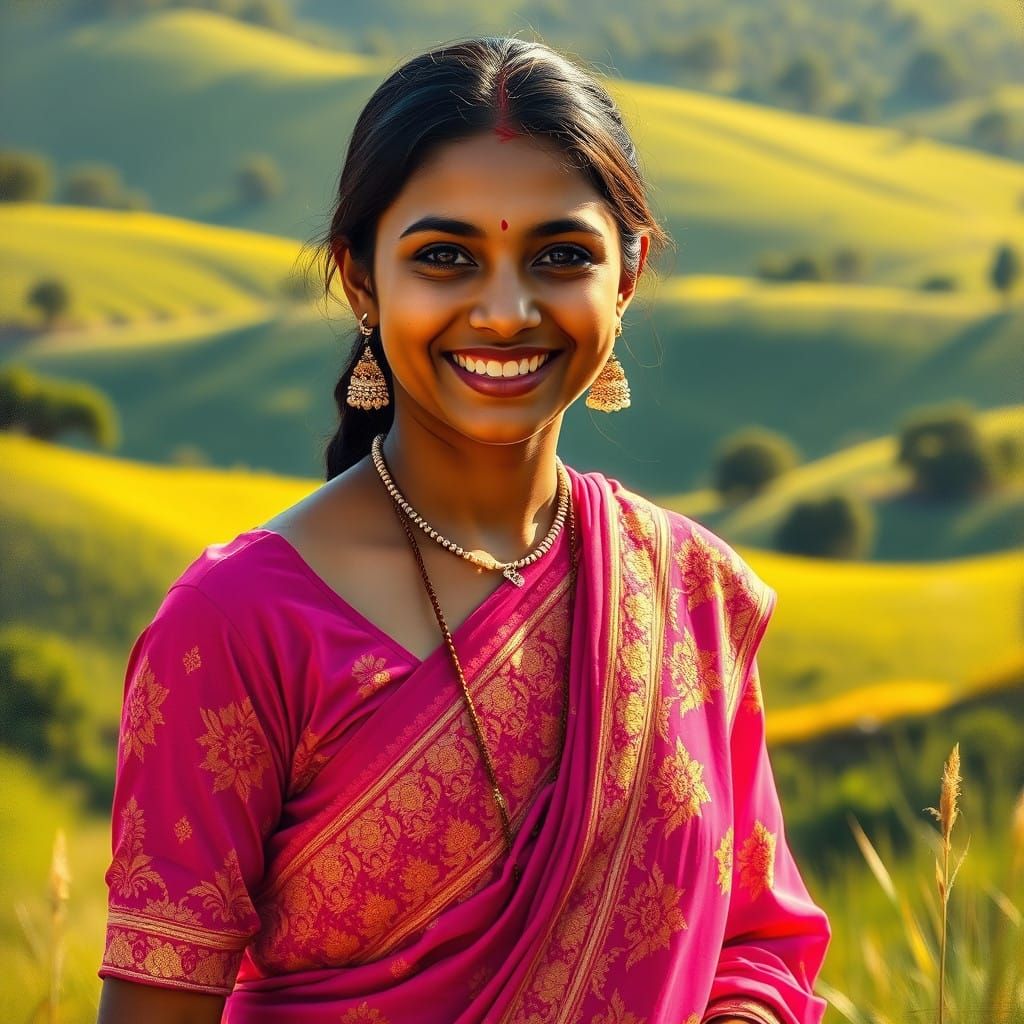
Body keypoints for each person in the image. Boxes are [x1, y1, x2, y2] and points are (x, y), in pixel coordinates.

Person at [96, 35, 830, 1024]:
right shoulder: (237, 625)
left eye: (559, 256)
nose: (503, 309)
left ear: (627, 273)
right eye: (445, 257)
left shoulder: (686, 591)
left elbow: (754, 942)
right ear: (359, 278)